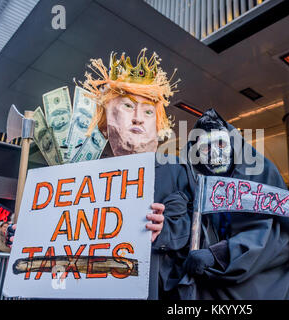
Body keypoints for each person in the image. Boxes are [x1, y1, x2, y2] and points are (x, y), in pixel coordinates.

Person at [81, 49, 192, 299]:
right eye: (128, 107)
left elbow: (196, 230)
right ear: (108, 114)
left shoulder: (178, 170)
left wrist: (165, 230)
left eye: (148, 111)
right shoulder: (84, 174)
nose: (138, 119)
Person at [181, 109, 289, 299]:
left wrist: (220, 254)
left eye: (221, 143)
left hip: (261, 285)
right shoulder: (195, 183)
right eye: (205, 148)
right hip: (210, 288)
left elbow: (280, 235)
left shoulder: (262, 173)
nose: (215, 153)